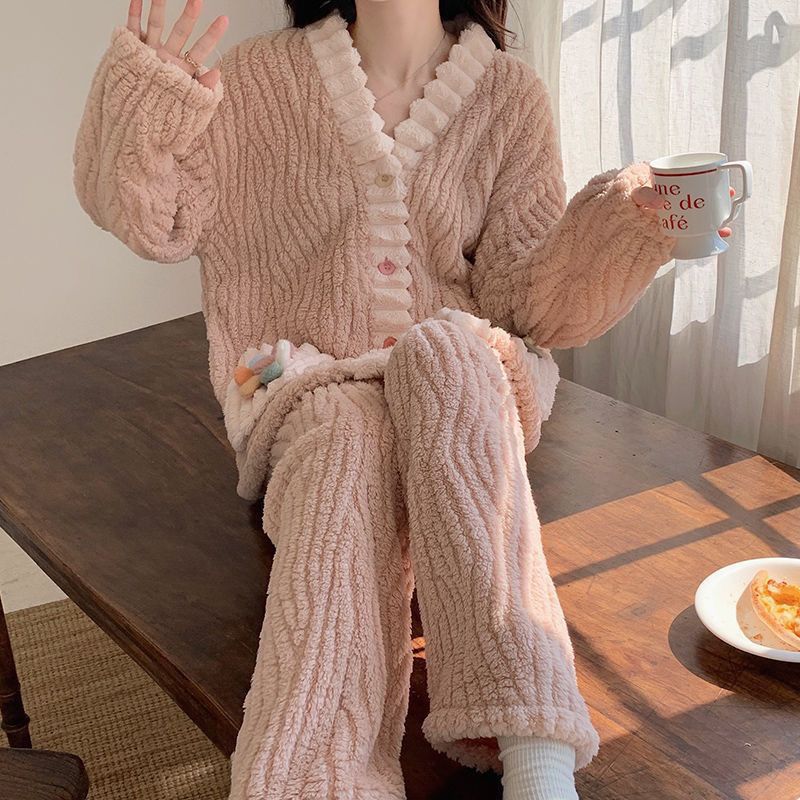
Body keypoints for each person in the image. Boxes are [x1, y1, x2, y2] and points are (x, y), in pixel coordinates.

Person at [73, 1, 731, 797]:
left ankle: (536, 753)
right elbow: (153, 221)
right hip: (304, 382)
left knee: (444, 348)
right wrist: (146, 102)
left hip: (464, 389)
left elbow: (525, 304)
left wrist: (625, 226)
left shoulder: (509, 97)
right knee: (347, 436)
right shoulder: (252, 80)